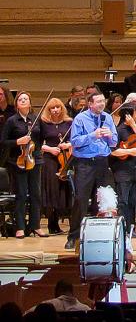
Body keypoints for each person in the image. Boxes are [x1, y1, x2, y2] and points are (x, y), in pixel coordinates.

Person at [65, 92, 118, 249]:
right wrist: (92, 136)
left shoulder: (107, 118)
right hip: (85, 163)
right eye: (98, 101)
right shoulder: (80, 119)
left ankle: (101, 235)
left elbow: (114, 141)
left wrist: (110, 136)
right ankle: (73, 236)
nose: (102, 104)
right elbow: (74, 141)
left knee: (104, 200)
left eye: (103, 101)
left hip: (102, 161)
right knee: (81, 199)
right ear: (90, 104)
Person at [0, 91, 44, 238]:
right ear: (16, 103)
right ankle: (20, 227)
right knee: (21, 194)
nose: (23, 100)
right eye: (20, 99)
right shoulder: (12, 120)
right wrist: (17, 142)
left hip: (35, 160)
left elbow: (41, 138)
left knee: (36, 194)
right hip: (18, 161)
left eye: (26, 99)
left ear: (30, 103)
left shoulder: (36, 119)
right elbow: (3, 141)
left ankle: (36, 225)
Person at [87, 186, 135, 302]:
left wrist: (129, 263)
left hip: (116, 282)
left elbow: (130, 260)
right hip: (98, 281)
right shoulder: (91, 232)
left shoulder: (121, 233)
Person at [110, 107, 136, 236]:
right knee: (123, 201)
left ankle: (131, 228)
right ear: (127, 116)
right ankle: (122, 228)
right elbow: (112, 151)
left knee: (133, 202)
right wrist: (129, 151)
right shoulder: (118, 131)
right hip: (123, 171)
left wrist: (133, 124)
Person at [38, 98, 73, 235]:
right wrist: (49, 149)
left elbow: (75, 139)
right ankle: (52, 223)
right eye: (52, 108)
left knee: (65, 190)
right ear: (48, 110)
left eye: (58, 107)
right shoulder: (43, 123)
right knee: (52, 190)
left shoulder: (69, 122)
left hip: (65, 158)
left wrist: (68, 145)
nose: (55, 110)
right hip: (49, 159)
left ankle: (68, 222)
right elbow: (37, 143)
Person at [26, 279, 90, 313]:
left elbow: (27, 315)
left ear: (57, 291)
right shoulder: (86, 309)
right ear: (72, 291)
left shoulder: (46, 306)